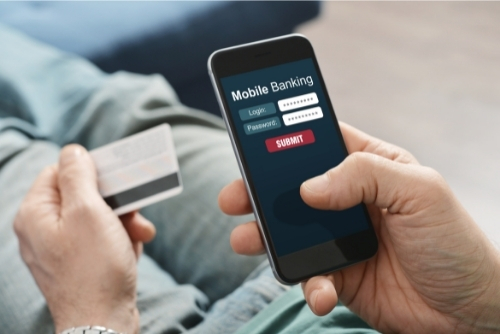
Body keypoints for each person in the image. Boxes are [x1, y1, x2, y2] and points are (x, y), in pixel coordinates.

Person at [2, 24, 500, 334]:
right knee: (119, 110)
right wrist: (479, 311)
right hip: (345, 290)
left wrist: (93, 318)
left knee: (12, 162)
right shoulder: (459, 300)